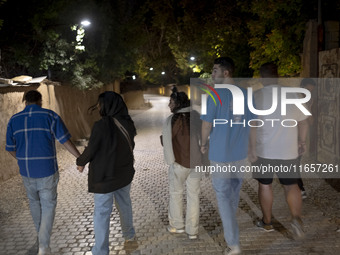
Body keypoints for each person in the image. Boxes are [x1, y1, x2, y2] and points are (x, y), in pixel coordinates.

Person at [5, 90, 81, 255]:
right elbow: (65, 140)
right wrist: (79, 157)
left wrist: (23, 159)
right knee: (48, 206)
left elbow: (10, 148)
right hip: (47, 170)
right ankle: (44, 246)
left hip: (26, 172)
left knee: (34, 203)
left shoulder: (14, 120)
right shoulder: (50, 116)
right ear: (40, 101)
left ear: (25, 101)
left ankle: (41, 240)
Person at [200, 57, 257, 255]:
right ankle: (230, 227)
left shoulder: (214, 95)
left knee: (223, 197)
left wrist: (203, 143)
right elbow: (251, 124)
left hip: (220, 155)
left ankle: (233, 243)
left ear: (226, 73)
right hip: (239, 154)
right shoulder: (246, 95)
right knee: (232, 194)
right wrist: (252, 148)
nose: (212, 74)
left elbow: (206, 124)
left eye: (215, 71)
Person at [252, 62, 308, 238]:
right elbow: (304, 121)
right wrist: (302, 141)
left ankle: (267, 223)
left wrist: (251, 148)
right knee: (291, 185)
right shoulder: (293, 94)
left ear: (261, 78)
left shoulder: (257, 96)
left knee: (265, 185)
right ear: (277, 76)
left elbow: (252, 125)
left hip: (264, 151)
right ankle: (296, 218)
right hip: (289, 151)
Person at [76, 91, 136, 255]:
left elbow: (92, 149)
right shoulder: (128, 123)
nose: (99, 107)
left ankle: (101, 250)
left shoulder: (101, 125)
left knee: (102, 213)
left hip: (104, 177)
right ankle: (129, 236)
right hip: (124, 173)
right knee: (124, 205)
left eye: (100, 104)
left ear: (107, 105)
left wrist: (80, 162)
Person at [162, 86, 202, 240]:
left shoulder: (172, 120)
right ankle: (192, 231)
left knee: (176, 194)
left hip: (178, 162)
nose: (169, 105)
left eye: (171, 102)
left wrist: (170, 160)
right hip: (196, 162)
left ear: (178, 103)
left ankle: (177, 226)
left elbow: (166, 142)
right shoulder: (197, 116)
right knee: (194, 196)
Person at [297, 78, 316, 199]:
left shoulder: (308, 101)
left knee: (295, 164)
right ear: (301, 86)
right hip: (292, 136)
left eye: (311, 91)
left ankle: (298, 188)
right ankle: (300, 188)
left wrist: (309, 108)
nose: (308, 93)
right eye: (307, 89)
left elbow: (311, 121)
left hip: (300, 136)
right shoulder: (295, 99)